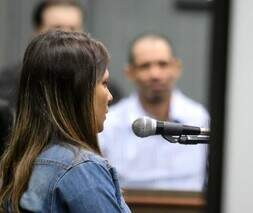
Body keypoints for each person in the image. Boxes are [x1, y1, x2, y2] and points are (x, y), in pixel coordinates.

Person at [0, 30, 131, 213]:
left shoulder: (18, 161)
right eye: (104, 83)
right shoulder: (81, 169)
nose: (109, 96)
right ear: (79, 92)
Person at [98, 34, 209, 191]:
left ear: (176, 68)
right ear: (129, 72)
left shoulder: (199, 118)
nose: (155, 75)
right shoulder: (109, 123)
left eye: (162, 64)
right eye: (145, 66)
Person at [0, 0, 122, 109]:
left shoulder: (103, 87)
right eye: (57, 28)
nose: (66, 36)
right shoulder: (5, 85)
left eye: (73, 29)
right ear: (36, 32)